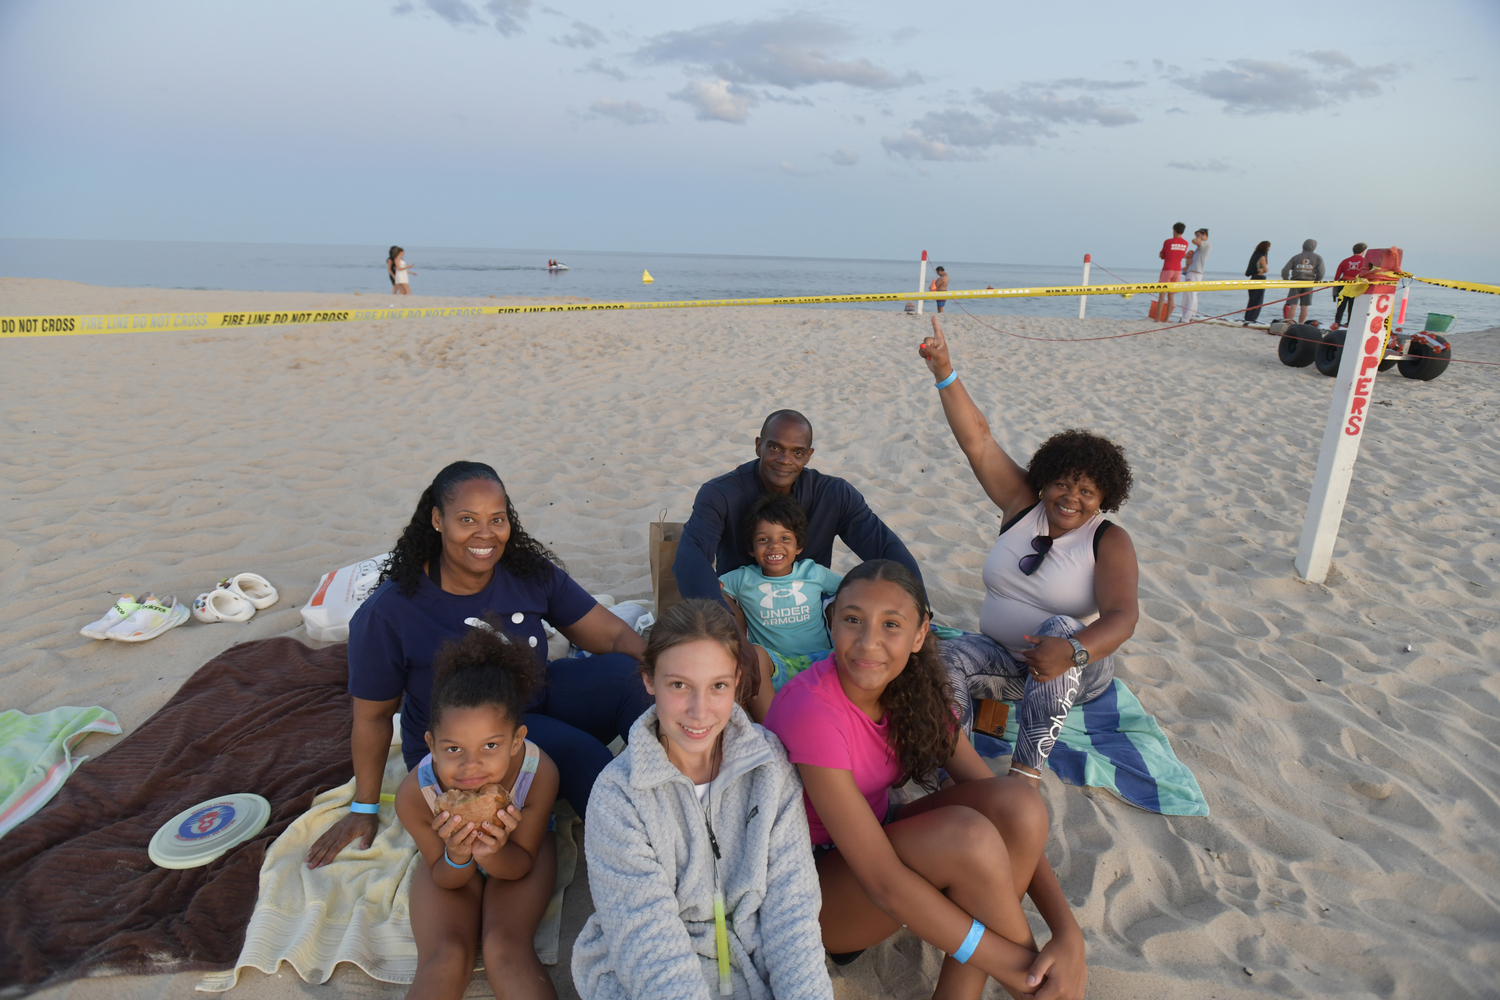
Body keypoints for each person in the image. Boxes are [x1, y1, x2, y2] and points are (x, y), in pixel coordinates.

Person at [763, 560, 1086, 1000]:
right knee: (966, 838)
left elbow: (1004, 808)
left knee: (1018, 803)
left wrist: (1068, 933)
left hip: (874, 845)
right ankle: (1042, 991)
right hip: (809, 891)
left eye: (891, 624)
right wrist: (1021, 969)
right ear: (831, 621)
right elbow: (883, 882)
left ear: (920, 634)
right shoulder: (813, 710)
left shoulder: (912, 688)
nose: (868, 642)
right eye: (852, 619)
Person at [306, 461, 652, 868]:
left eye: (497, 519)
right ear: (437, 519)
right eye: (467, 519)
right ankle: (638, 861)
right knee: (581, 753)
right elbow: (373, 717)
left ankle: (683, 792)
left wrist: (669, 675)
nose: (485, 534)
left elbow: (610, 635)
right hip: (468, 747)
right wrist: (363, 808)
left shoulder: (525, 572)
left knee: (630, 678)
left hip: (531, 702)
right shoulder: (390, 613)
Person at [916, 316, 1140, 788]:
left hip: (1077, 668)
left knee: (1059, 626)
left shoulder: (1108, 540)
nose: (1070, 498)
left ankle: (1023, 779)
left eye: (1086, 491)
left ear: (1105, 497)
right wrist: (945, 372)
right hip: (1004, 661)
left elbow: (1123, 618)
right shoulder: (1023, 506)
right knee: (944, 658)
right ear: (1045, 480)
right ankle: (950, 770)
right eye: (1061, 483)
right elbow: (977, 441)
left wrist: (1071, 651)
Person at [571, 600, 834, 1000]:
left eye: (718, 686)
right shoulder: (617, 797)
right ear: (648, 679)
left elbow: (792, 911)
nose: (699, 712)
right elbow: (649, 948)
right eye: (679, 685)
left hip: (754, 958)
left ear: (737, 681)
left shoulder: (769, 765)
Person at [394, 618, 560, 1000]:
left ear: (517, 741)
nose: (471, 767)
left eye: (490, 746)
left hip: (517, 852)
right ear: (431, 745)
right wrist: (457, 854)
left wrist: (496, 850)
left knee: (506, 949)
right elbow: (445, 877)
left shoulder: (538, 774)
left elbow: (520, 864)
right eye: (453, 749)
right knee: (445, 957)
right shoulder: (415, 796)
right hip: (449, 865)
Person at [672, 409, 921, 606]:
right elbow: (690, 559)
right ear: (758, 445)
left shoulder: (833, 495)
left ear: (809, 455)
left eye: (797, 452)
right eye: (775, 447)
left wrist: (919, 610)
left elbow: (887, 549)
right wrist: (724, 619)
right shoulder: (720, 493)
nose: (785, 459)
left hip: (812, 607)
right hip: (743, 605)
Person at [719, 492, 843, 720]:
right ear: (751, 548)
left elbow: (851, 589)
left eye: (785, 538)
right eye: (763, 540)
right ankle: (772, 730)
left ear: (798, 546)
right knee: (753, 655)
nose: (774, 546)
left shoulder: (813, 572)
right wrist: (733, 611)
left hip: (822, 661)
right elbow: (711, 588)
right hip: (776, 666)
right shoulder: (742, 578)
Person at [1280, 239, 1325, 323]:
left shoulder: (1296, 257)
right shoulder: (1318, 257)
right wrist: (1317, 281)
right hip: (1309, 283)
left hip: (1296, 283)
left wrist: (1286, 280)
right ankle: (1300, 324)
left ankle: (1289, 323)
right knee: (1304, 306)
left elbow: (1285, 270)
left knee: (1293, 304)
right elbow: (1321, 272)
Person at [1156, 222, 1190, 320]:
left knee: (1162, 295)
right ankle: (1166, 319)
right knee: (1171, 296)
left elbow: (1163, 255)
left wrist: (1161, 254)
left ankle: (1158, 318)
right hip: (1177, 270)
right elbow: (1181, 255)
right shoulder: (1185, 243)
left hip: (1167, 269)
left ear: (1174, 230)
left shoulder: (1168, 242)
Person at [1331, 243, 1368, 330]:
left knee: (1341, 306)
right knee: (1352, 307)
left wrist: (1335, 288)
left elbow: (1337, 276)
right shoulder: (1365, 262)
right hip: (1355, 285)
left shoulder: (1345, 261)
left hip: (1343, 284)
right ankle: (1350, 324)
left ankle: (1337, 323)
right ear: (1363, 251)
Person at [1178, 228, 1210, 322]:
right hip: (1194, 272)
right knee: (1192, 295)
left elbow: (1194, 241)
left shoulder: (1206, 244)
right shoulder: (1200, 248)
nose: (1196, 237)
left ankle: (1187, 317)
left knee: (1189, 296)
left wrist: (1200, 237)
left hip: (1195, 273)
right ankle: (1191, 315)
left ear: (1204, 236)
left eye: (1198, 235)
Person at [1243, 240, 1270, 325]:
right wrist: (1262, 269)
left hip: (1253, 278)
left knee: (1252, 299)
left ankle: (1248, 317)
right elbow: (1266, 270)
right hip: (1260, 279)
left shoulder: (1255, 255)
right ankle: (1252, 318)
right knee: (1258, 300)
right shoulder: (1262, 257)